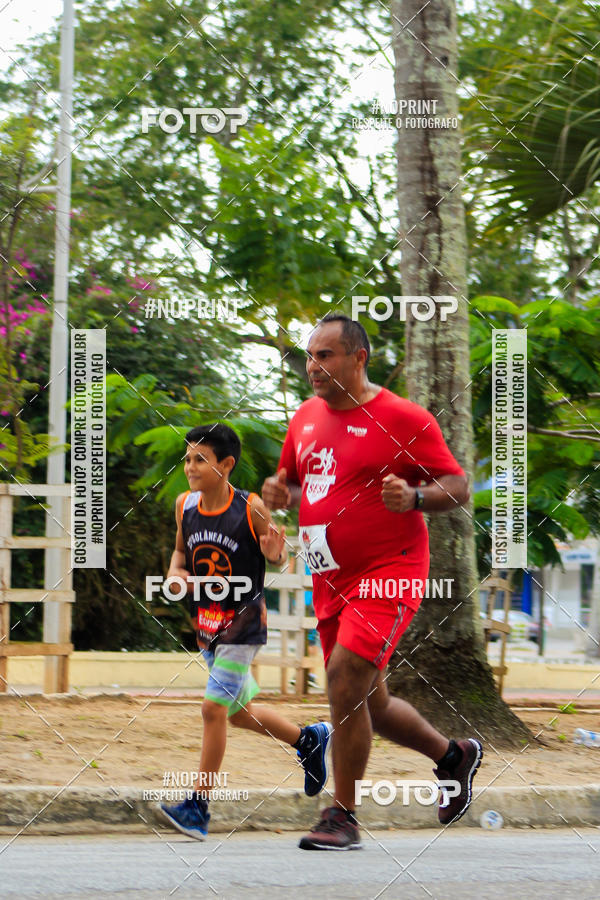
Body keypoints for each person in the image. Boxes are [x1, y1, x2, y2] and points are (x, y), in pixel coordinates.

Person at [262, 314, 483, 851]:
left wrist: (415, 498)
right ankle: (453, 757)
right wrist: (276, 491)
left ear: (358, 358)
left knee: (344, 675)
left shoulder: (403, 418)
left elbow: (458, 485)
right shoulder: (306, 417)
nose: (314, 366)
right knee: (368, 701)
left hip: (391, 571)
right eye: (311, 356)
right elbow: (290, 478)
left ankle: (342, 815)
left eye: (327, 355)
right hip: (329, 575)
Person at [160, 423, 332, 840]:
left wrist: (276, 553)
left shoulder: (250, 506)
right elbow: (180, 556)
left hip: (243, 625)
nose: (189, 467)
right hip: (208, 627)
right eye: (187, 459)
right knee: (238, 714)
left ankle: (197, 808)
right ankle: (308, 740)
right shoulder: (185, 505)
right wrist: (176, 577)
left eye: (200, 459)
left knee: (212, 710)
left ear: (226, 465)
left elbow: (277, 555)